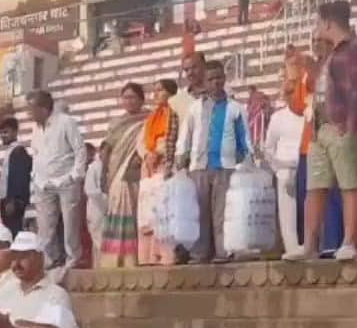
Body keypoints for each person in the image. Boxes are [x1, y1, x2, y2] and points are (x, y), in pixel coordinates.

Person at [284, 0, 357, 262]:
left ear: (327, 23)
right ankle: (310, 245)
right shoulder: (332, 54)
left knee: (348, 185)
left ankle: (348, 242)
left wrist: (350, 123)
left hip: (341, 127)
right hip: (320, 128)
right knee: (316, 187)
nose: (316, 28)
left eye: (317, 23)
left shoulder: (356, 48)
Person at [176, 60, 251, 263]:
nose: (215, 82)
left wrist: (245, 161)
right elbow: (186, 135)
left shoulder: (236, 108)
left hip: (226, 167)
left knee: (222, 213)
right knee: (199, 212)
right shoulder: (195, 108)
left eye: (219, 78)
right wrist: (180, 157)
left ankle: (223, 251)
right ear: (206, 82)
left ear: (224, 79)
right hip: (198, 166)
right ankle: (199, 253)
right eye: (211, 79)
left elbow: (245, 138)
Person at [27, 90, 88, 270]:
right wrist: (35, 177)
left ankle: (73, 259)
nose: (28, 114)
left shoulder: (65, 122)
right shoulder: (35, 128)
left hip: (66, 180)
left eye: (31, 109)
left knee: (71, 223)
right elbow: (36, 153)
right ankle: (50, 260)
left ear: (44, 109)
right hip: (43, 183)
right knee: (45, 226)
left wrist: (75, 175)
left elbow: (80, 150)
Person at [0, 232, 74, 328]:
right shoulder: (4, 291)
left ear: (40, 258)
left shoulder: (57, 296)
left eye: (23, 257)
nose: (16, 263)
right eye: (14, 258)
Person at [97, 84, 147, 269]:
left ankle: (134, 257)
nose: (129, 101)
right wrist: (104, 173)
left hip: (137, 171)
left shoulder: (148, 120)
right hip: (116, 173)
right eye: (125, 97)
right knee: (119, 210)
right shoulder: (115, 123)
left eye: (133, 97)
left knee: (136, 212)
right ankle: (115, 258)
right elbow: (107, 149)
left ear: (142, 99)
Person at [265, 74, 308, 256]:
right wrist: (279, 169)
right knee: (287, 205)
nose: (291, 96)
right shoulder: (278, 117)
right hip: (284, 170)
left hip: (307, 167)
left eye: (295, 91)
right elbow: (268, 149)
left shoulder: (310, 115)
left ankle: (308, 245)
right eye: (288, 92)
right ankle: (291, 248)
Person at [139, 80, 179, 265]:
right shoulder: (151, 117)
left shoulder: (175, 113)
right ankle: (149, 256)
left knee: (164, 212)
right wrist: (148, 155)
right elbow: (142, 143)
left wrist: (160, 154)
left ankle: (166, 256)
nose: (156, 94)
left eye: (160, 90)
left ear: (171, 93)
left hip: (167, 165)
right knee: (149, 212)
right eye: (154, 91)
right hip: (149, 167)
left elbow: (174, 139)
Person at [0, 117, 32, 234]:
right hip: (6, 200)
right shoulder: (10, 151)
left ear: (15, 132)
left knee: (14, 235)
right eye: (1, 133)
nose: (2, 135)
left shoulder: (19, 152)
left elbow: (21, 180)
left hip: (13, 202)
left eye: (6, 132)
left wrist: (14, 201)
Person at [83, 143, 106, 264]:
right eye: (106, 151)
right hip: (96, 210)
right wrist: (107, 203)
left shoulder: (112, 167)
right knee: (99, 242)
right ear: (100, 152)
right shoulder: (94, 167)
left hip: (107, 212)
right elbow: (90, 190)